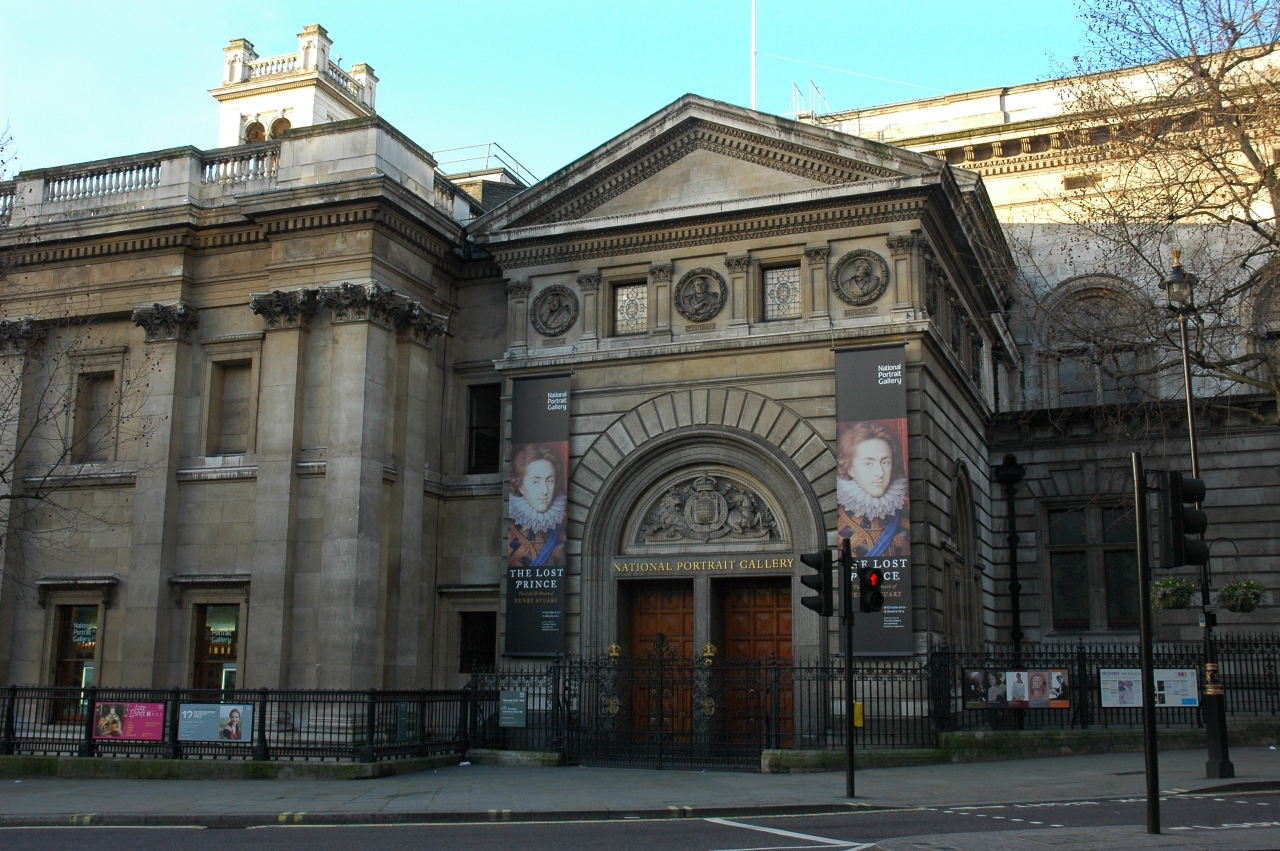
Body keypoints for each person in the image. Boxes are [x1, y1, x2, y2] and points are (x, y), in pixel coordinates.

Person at [836, 420, 910, 557]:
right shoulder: (838, 522)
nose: (880, 472)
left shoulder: (906, 522)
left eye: (885, 462)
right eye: (868, 463)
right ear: (850, 468)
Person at [508, 443, 567, 567]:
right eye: (536, 482)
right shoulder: (508, 530)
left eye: (549, 481)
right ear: (520, 485)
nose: (545, 490)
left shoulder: (564, 528)